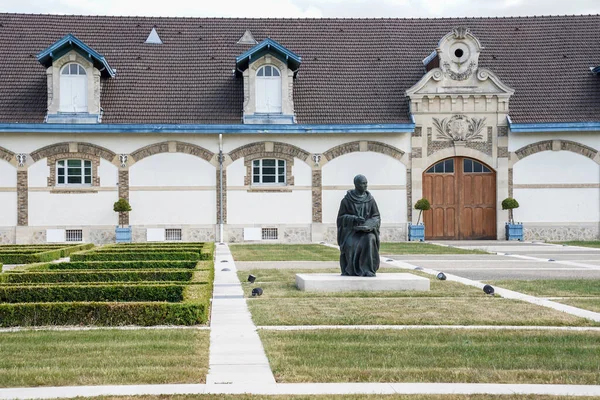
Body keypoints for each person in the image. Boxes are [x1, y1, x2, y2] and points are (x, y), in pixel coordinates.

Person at [336, 174, 381, 276]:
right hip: (351, 232)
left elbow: (376, 216)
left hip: (366, 232)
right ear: (356, 185)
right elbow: (340, 218)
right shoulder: (347, 200)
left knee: (370, 239)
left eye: (366, 183)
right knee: (350, 244)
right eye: (363, 184)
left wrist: (370, 225)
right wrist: (354, 219)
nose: (365, 186)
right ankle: (350, 269)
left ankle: (368, 270)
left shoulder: (370, 199)